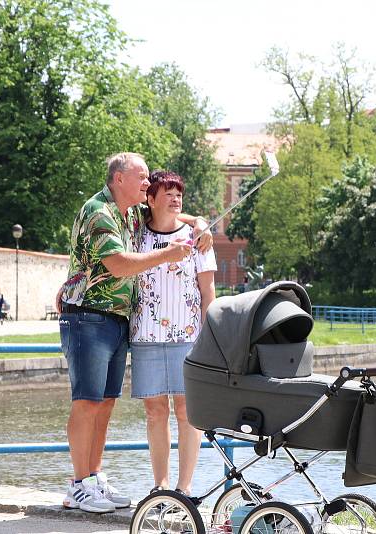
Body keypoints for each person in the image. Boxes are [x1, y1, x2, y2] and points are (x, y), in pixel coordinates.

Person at [56, 152, 212, 514]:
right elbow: (119, 264)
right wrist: (167, 256)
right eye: (142, 177)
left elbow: (168, 213)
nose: (147, 183)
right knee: (86, 402)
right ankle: (78, 485)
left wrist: (200, 223)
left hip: (117, 320)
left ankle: (93, 477)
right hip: (88, 316)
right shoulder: (100, 212)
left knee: (105, 403)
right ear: (118, 178)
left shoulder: (131, 212)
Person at [130, 170, 217, 497]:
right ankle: (160, 485)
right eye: (167, 193)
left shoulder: (199, 240)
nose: (175, 198)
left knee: (186, 411)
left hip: (189, 336)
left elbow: (209, 293)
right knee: (155, 412)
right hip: (145, 336)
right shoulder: (136, 235)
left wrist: (210, 339)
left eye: (178, 192)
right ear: (150, 199)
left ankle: (184, 488)